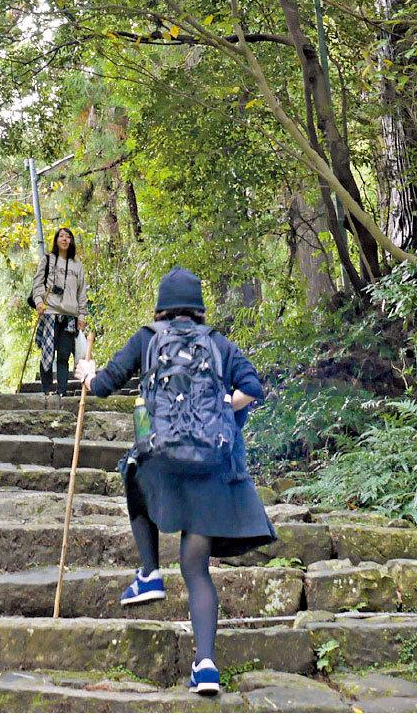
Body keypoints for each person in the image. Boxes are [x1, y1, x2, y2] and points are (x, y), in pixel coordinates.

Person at [73, 266, 275, 696]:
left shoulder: (147, 339)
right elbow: (254, 388)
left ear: (161, 307)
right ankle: (206, 666)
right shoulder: (219, 344)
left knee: (132, 471)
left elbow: (105, 384)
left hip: (161, 464)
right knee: (197, 570)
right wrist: (224, 405)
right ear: (199, 309)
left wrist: (87, 372)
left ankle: (149, 572)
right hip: (210, 469)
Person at [31, 227, 88, 396]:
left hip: (70, 315)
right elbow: (38, 283)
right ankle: (46, 390)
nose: (65, 239)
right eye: (61, 236)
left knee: (63, 355)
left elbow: (82, 292)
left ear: (71, 241)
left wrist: (82, 314)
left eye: (68, 236)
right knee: (47, 353)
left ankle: (61, 391)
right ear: (56, 240)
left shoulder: (77, 265)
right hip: (50, 312)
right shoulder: (47, 260)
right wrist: (39, 301)